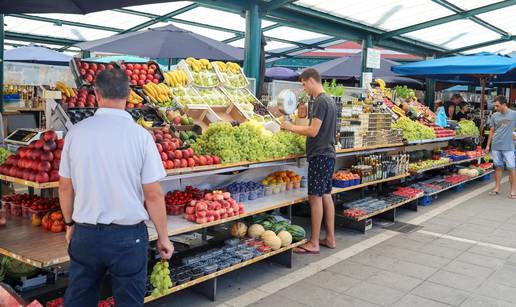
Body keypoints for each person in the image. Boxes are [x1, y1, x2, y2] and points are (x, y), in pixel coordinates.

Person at [59, 68, 174, 306]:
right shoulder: (141, 136)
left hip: (86, 234)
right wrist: (163, 237)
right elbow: (153, 195)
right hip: (128, 237)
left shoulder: (76, 134)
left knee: (79, 299)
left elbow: (64, 188)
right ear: (129, 94)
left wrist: (70, 224)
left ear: (97, 94)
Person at [281, 68, 337, 254]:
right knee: (326, 195)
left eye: (304, 84)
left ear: (311, 80)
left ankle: (314, 242)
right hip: (328, 153)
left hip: (320, 155)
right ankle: (329, 238)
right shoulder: (329, 100)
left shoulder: (321, 101)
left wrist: (290, 127)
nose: (304, 88)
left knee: (315, 198)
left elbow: (313, 131)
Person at [485, 95, 516, 199]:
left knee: (511, 168)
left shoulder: (513, 114)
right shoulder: (494, 116)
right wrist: (488, 145)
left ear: (503, 104)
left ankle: (513, 191)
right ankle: (497, 188)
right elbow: (492, 131)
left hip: (508, 147)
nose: (495, 108)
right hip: (496, 145)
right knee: (498, 167)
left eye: (497, 106)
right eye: (495, 106)